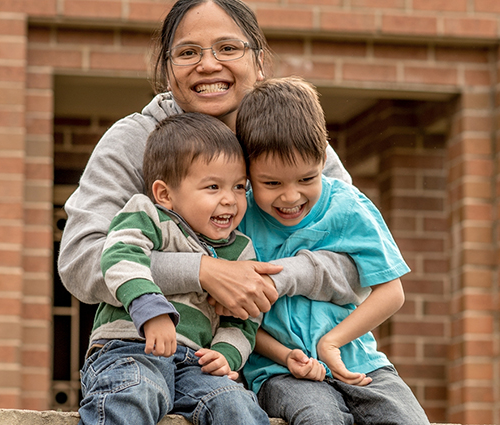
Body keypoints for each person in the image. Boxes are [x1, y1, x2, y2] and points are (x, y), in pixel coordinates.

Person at [57, 0, 366, 324]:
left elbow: (362, 259)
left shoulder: (294, 142)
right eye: (188, 52)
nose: (207, 65)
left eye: (228, 48)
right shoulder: (134, 141)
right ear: (166, 69)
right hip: (162, 359)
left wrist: (271, 278)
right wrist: (203, 271)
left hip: (294, 359)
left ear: (259, 61)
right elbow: (81, 261)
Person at [236, 77, 430, 425]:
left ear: (323, 156)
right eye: (272, 183)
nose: (291, 196)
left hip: (360, 360)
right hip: (281, 371)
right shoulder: (239, 219)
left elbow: (391, 291)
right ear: (248, 172)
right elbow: (238, 317)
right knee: (320, 419)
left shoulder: (348, 207)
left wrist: (332, 343)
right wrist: (287, 355)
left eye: (307, 179)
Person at [80, 112, 268, 425]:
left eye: (238, 187)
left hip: (196, 364)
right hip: (130, 348)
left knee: (236, 402)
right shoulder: (148, 216)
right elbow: (119, 255)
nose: (230, 200)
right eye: (212, 187)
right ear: (165, 194)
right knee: (136, 391)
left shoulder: (240, 250)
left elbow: (247, 315)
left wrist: (226, 353)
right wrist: (150, 311)